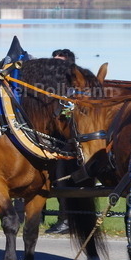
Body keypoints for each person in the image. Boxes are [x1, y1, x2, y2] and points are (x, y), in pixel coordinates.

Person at [45, 48, 77, 235]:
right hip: (50, 139)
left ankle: (66, 219)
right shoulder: (47, 87)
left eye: (59, 63)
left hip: (72, 142)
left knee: (62, 177)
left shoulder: (76, 87)